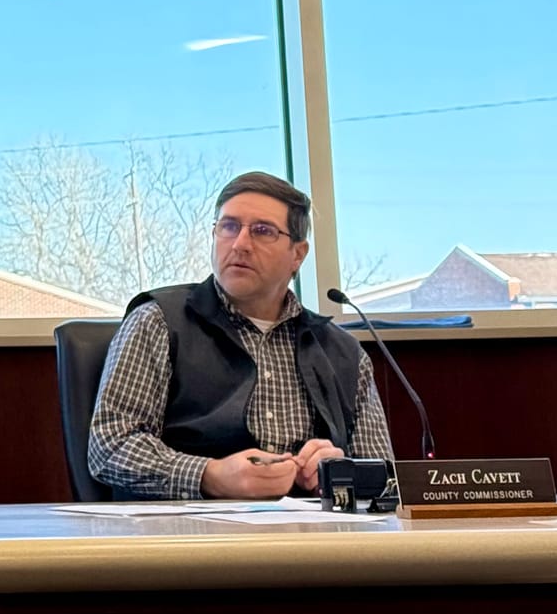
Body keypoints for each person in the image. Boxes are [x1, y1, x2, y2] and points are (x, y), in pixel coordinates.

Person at [87, 170, 392, 501]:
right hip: (191, 536)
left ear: (298, 255)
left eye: (262, 231)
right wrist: (209, 476)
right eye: (229, 227)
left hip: (314, 540)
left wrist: (338, 472)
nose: (241, 244)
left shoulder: (343, 352)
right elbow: (110, 445)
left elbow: (383, 475)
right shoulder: (158, 321)